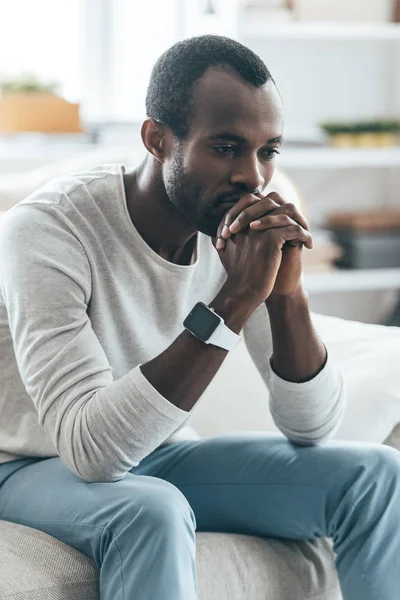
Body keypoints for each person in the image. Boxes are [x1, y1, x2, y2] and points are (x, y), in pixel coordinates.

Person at [0, 34, 399, 600]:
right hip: (24, 464)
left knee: (378, 477)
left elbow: (310, 428)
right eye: (227, 147)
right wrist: (232, 302)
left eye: (268, 150)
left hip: (160, 450)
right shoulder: (48, 230)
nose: (253, 177)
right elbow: (90, 451)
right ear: (158, 139)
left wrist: (286, 295)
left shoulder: (242, 217)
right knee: (153, 510)